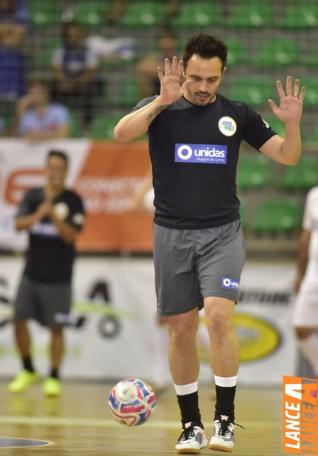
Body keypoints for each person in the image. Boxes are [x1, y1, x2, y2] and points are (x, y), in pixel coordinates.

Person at [114, 33, 305, 453]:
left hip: (221, 232)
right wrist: (160, 101)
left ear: (224, 75)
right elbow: (121, 133)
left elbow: (288, 157)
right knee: (181, 328)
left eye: (212, 80)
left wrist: (292, 125)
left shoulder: (236, 115)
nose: (204, 87)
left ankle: (225, 420)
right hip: (171, 233)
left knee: (218, 316)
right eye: (197, 77)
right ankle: (190, 425)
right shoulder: (161, 108)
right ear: (183, 69)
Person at [8, 150, 85, 397]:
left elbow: (71, 235)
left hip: (59, 277)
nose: (55, 172)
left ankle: (53, 376)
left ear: (66, 171)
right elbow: (19, 225)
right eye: (52, 167)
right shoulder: (33, 196)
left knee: (56, 328)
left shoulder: (73, 200)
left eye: (60, 168)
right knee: (18, 319)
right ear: (46, 169)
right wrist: (38, 215)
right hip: (31, 273)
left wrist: (52, 215)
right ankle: (28, 368)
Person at [51, 21, 103, 128]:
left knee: (87, 91)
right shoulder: (61, 51)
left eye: (76, 35)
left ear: (81, 36)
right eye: (70, 35)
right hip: (66, 84)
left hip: (82, 84)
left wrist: (74, 83)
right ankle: (55, 121)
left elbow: (89, 73)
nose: (73, 38)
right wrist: (64, 81)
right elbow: (56, 71)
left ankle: (86, 125)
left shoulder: (88, 52)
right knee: (53, 89)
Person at [293, 186, 318, 378]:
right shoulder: (314, 195)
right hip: (313, 272)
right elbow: (306, 237)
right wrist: (300, 273)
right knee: (301, 327)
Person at [136, 27, 178, 99]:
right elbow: (141, 68)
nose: (167, 43)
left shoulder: (181, 60)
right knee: (144, 79)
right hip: (155, 99)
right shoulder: (152, 59)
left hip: (177, 100)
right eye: (163, 39)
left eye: (170, 39)